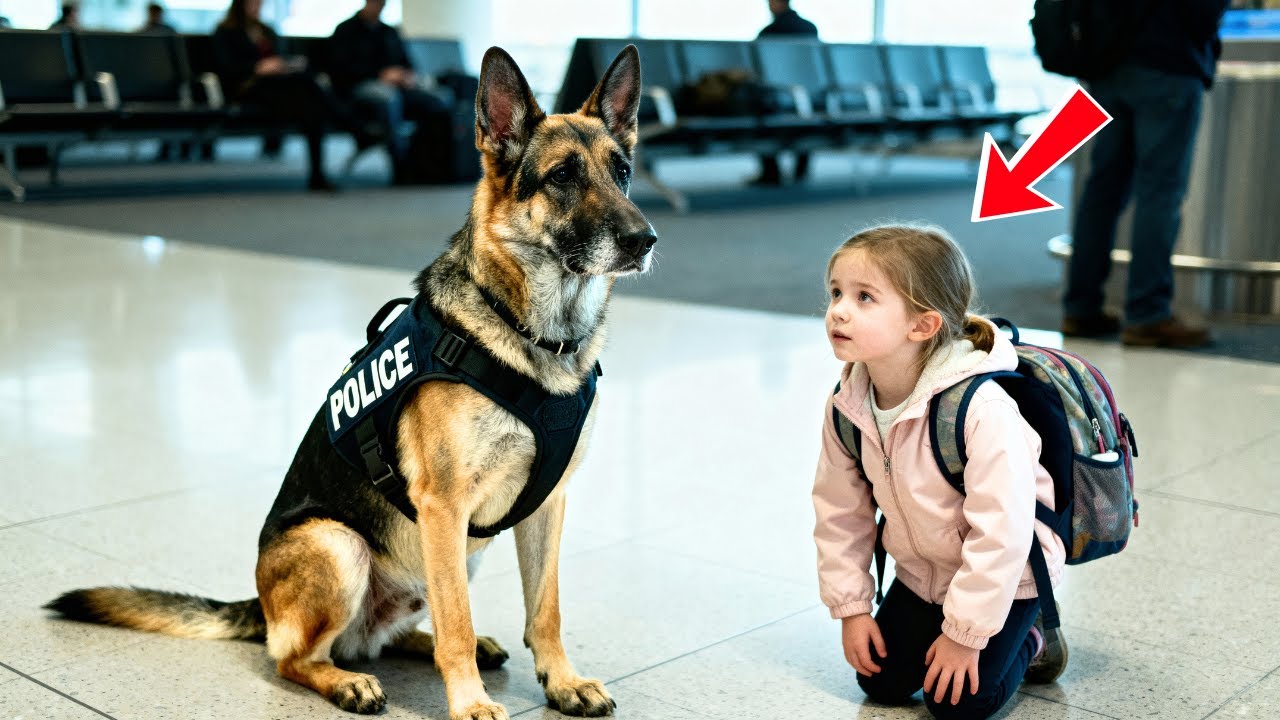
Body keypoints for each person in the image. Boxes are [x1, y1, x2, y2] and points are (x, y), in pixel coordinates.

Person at [813, 224, 1068, 719]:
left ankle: (1034, 633)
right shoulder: (849, 404)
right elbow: (839, 511)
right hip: (923, 572)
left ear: (923, 325)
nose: (839, 310)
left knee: (961, 705)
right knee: (881, 682)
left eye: (865, 297)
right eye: (837, 293)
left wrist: (966, 635)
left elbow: (1004, 533)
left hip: (1011, 574)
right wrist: (853, 608)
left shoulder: (980, 408)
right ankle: (950, 622)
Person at [1062, 1, 1229, 348]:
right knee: (1159, 191)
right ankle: (1147, 314)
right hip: (1167, 65)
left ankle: (1081, 307)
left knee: (1102, 189)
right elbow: (1202, 14)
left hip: (1107, 68)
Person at [211, 0, 369, 191]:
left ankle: (318, 175)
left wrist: (285, 64)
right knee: (309, 90)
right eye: (253, 3)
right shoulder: (225, 32)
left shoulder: (266, 30)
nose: (258, 7)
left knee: (311, 103)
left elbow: (280, 56)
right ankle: (353, 128)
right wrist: (257, 67)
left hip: (279, 87)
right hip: (248, 87)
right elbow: (225, 67)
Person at [329, 0, 454, 183]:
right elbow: (341, 70)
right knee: (388, 97)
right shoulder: (346, 30)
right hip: (361, 86)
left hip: (398, 86)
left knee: (439, 98)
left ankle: (431, 164)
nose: (378, 7)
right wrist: (380, 75)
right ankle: (399, 164)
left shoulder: (389, 32)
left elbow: (407, 62)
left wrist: (406, 76)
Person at [753, 0, 818, 186]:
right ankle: (801, 169)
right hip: (808, 95)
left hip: (777, 97)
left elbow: (762, 70)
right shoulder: (810, 28)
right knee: (806, 110)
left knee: (759, 107)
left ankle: (771, 172)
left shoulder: (768, 33)